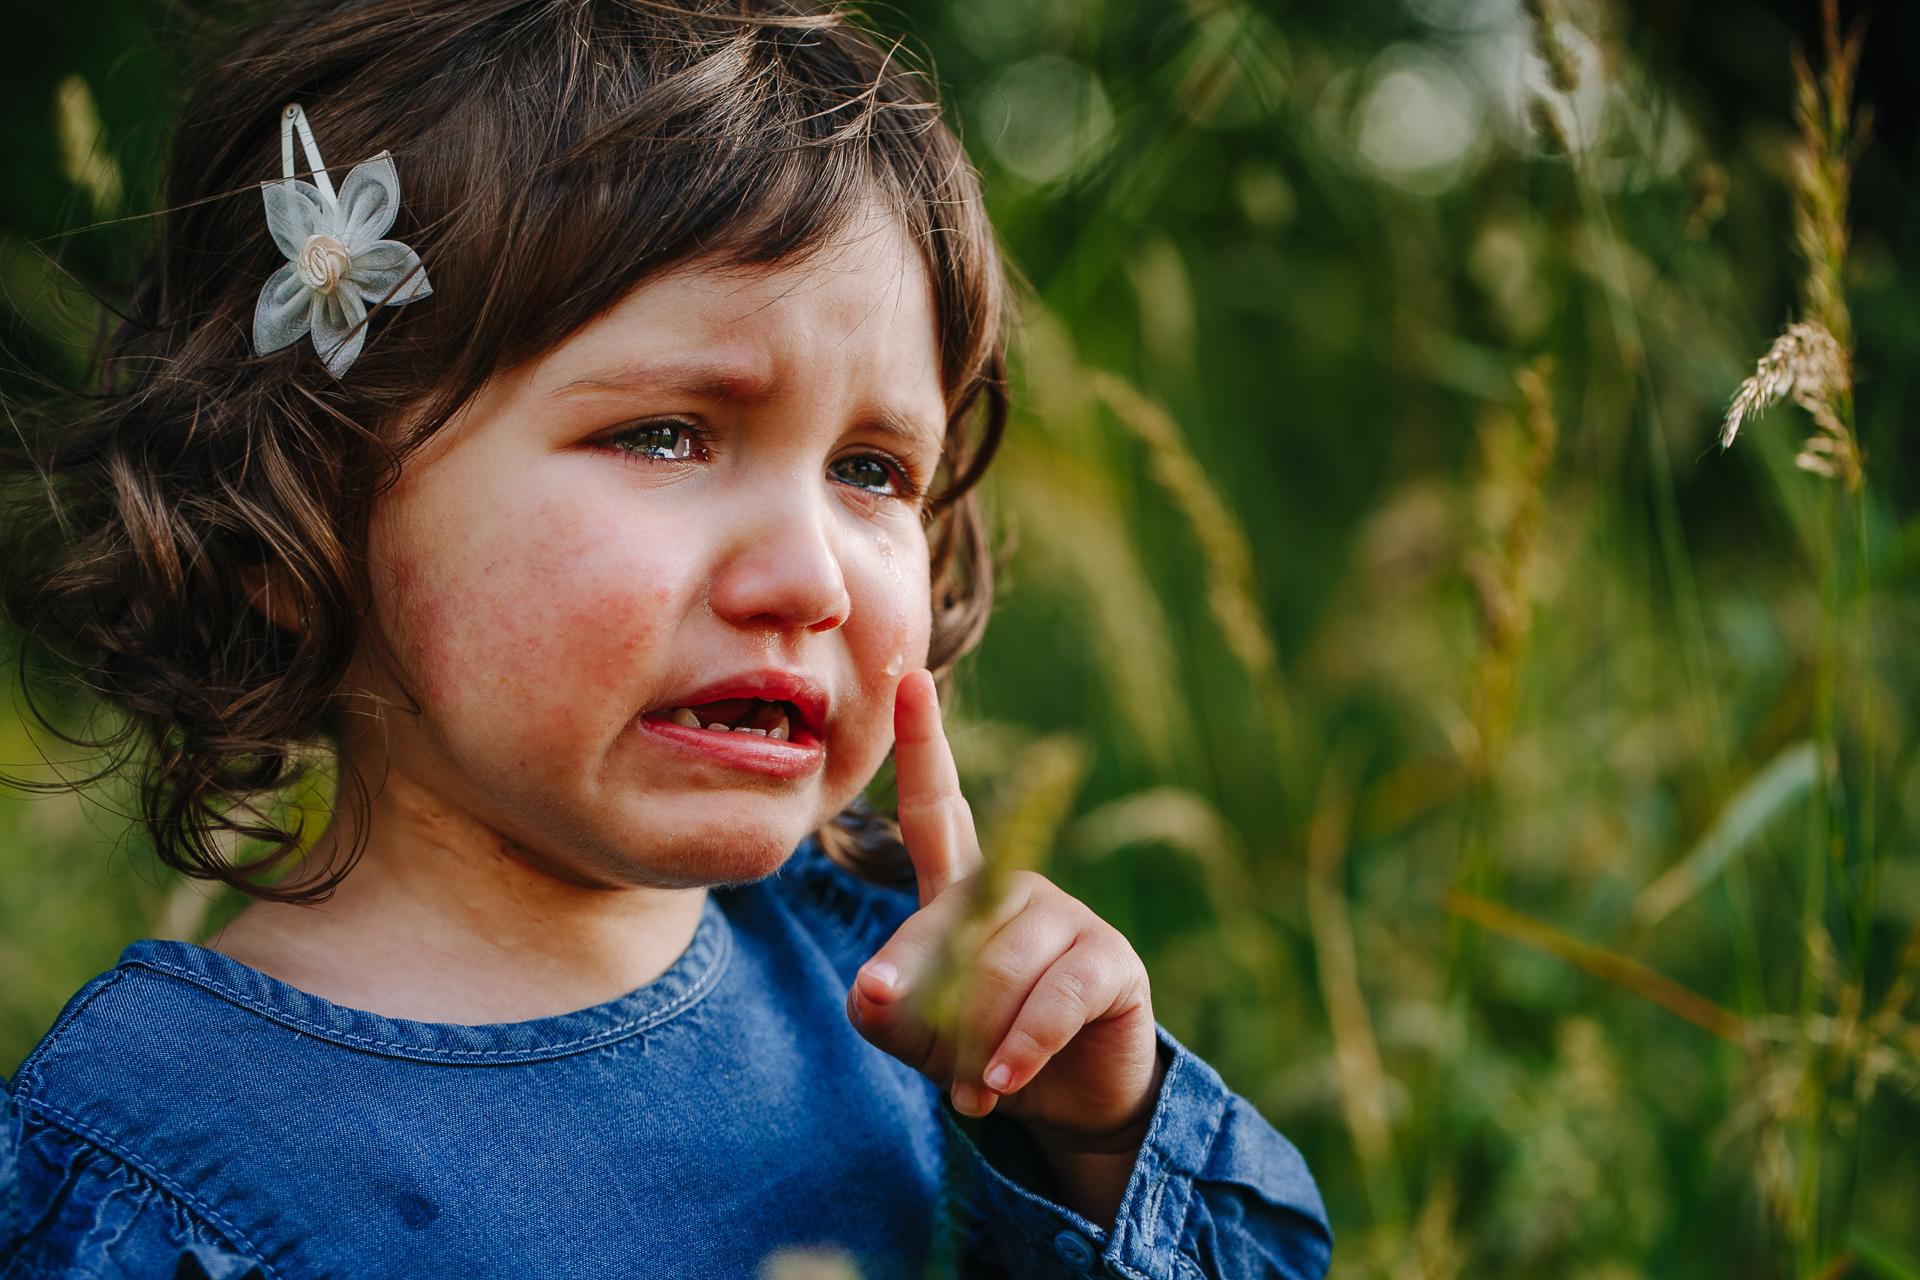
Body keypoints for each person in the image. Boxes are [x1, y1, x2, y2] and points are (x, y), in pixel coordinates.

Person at [0, 1, 1331, 1276]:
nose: (810, 575)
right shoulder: (147, 1160)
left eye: (871, 469)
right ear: (291, 519)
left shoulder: (914, 1009)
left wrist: (1091, 1138)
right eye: (662, 435)